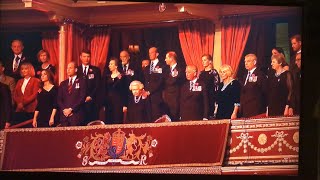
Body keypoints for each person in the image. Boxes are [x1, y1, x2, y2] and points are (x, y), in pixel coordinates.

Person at [6, 62, 40, 128]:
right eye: (22, 69)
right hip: (20, 109)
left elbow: (34, 94)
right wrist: (19, 103)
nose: (23, 70)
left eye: (26, 69)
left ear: (30, 69)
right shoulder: (19, 81)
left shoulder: (36, 80)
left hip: (31, 109)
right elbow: (15, 94)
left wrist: (23, 103)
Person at [57, 61, 86, 127]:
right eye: (67, 68)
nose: (68, 70)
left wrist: (71, 109)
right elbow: (59, 99)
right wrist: (64, 110)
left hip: (76, 116)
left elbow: (82, 98)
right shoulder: (63, 84)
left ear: (75, 69)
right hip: (64, 117)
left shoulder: (82, 82)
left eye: (70, 68)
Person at [76, 50, 101, 125]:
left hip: (92, 102)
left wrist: (91, 96)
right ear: (80, 57)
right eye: (84, 56)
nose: (86, 59)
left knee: (92, 124)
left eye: (88, 57)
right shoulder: (77, 70)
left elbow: (98, 85)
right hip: (79, 102)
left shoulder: (96, 70)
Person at [141, 47, 166, 121]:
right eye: (149, 53)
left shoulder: (162, 66)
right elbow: (145, 80)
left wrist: (150, 91)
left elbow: (160, 81)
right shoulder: (147, 67)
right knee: (148, 117)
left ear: (157, 54)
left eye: (152, 52)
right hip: (147, 96)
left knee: (156, 117)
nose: (150, 54)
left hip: (156, 95)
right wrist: (144, 91)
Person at [239, 54, 268, 118]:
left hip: (256, 109)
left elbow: (265, 92)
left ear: (254, 62)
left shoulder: (260, 75)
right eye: (245, 61)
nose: (246, 63)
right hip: (244, 109)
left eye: (248, 61)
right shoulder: (245, 75)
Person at [103, 57, 127, 124]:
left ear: (116, 66)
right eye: (109, 64)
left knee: (117, 120)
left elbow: (125, 91)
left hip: (118, 103)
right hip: (109, 103)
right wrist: (104, 104)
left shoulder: (122, 76)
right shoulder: (107, 77)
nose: (109, 66)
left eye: (111, 64)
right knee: (108, 121)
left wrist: (125, 105)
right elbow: (105, 91)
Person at [162, 51, 186, 121]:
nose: (165, 60)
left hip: (175, 98)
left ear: (171, 58)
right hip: (166, 98)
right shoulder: (165, 70)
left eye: (166, 58)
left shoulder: (179, 69)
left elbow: (172, 81)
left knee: (174, 118)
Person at [198, 54, 220, 118]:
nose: (203, 62)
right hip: (202, 97)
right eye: (202, 60)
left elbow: (217, 86)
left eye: (205, 60)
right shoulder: (201, 73)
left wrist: (216, 100)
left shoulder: (214, 72)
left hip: (211, 97)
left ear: (210, 61)